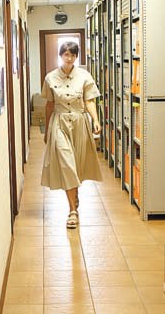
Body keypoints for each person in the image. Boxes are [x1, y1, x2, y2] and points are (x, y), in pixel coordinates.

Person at [41, 42, 102, 229]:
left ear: (76, 57)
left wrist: (96, 120)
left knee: (77, 164)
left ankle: (74, 194)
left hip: (79, 123)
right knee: (66, 163)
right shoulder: (50, 77)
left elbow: (89, 101)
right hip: (59, 123)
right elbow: (49, 105)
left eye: (73, 55)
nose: (69, 58)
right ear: (60, 55)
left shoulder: (84, 76)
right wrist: (47, 129)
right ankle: (72, 211)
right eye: (66, 54)